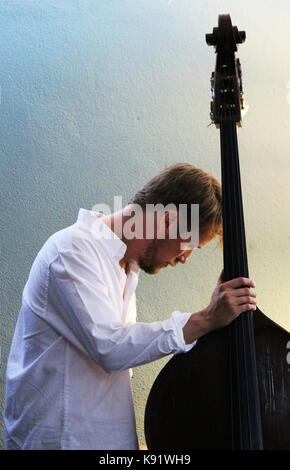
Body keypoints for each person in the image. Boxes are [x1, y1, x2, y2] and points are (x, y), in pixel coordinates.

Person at [4, 163, 257, 450]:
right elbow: (110, 348)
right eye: (189, 245)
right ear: (167, 222)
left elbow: (113, 369)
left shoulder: (126, 268)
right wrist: (207, 318)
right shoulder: (72, 251)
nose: (185, 258)